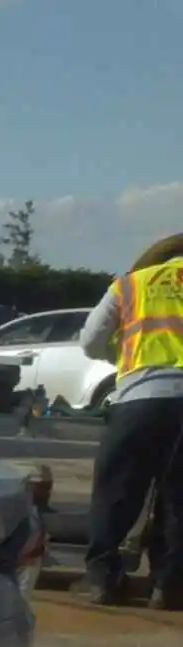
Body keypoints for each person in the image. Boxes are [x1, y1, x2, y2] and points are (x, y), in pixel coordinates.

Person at [75, 233, 183, 608]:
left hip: (139, 399)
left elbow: (89, 341)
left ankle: (104, 579)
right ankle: (168, 587)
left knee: (116, 492)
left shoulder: (130, 285)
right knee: (178, 500)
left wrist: (120, 358)